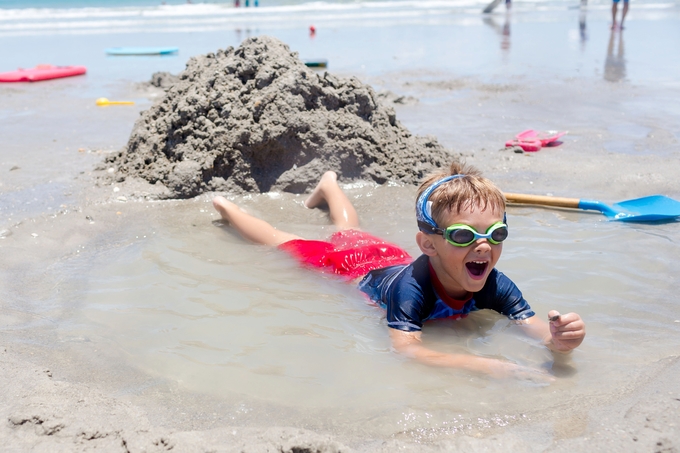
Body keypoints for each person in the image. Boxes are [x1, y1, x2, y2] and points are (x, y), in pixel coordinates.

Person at [212, 163, 586, 380]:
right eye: (462, 235)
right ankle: (229, 209)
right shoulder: (414, 290)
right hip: (354, 268)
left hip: (387, 256)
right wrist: (485, 365)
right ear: (429, 245)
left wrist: (559, 340)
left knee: (350, 232)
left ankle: (328, 186)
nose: (484, 245)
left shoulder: (494, 282)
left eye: (496, 233)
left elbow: (533, 327)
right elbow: (407, 350)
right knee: (285, 241)